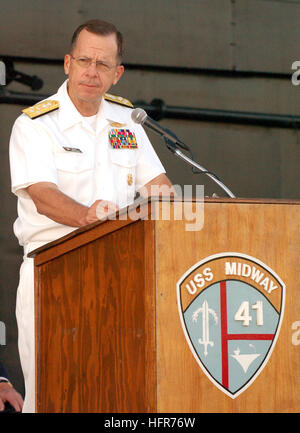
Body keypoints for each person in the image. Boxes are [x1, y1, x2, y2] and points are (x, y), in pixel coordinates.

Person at [9, 19, 173, 413]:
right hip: (54, 268)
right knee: (53, 393)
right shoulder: (35, 124)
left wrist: (173, 208)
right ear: (67, 63)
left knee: (114, 393)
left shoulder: (127, 123)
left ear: (117, 74)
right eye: (84, 60)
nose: (91, 72)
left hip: (120, 276)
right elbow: (43, 196)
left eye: (103, 65)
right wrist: (89, 216)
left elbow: (159, 188)